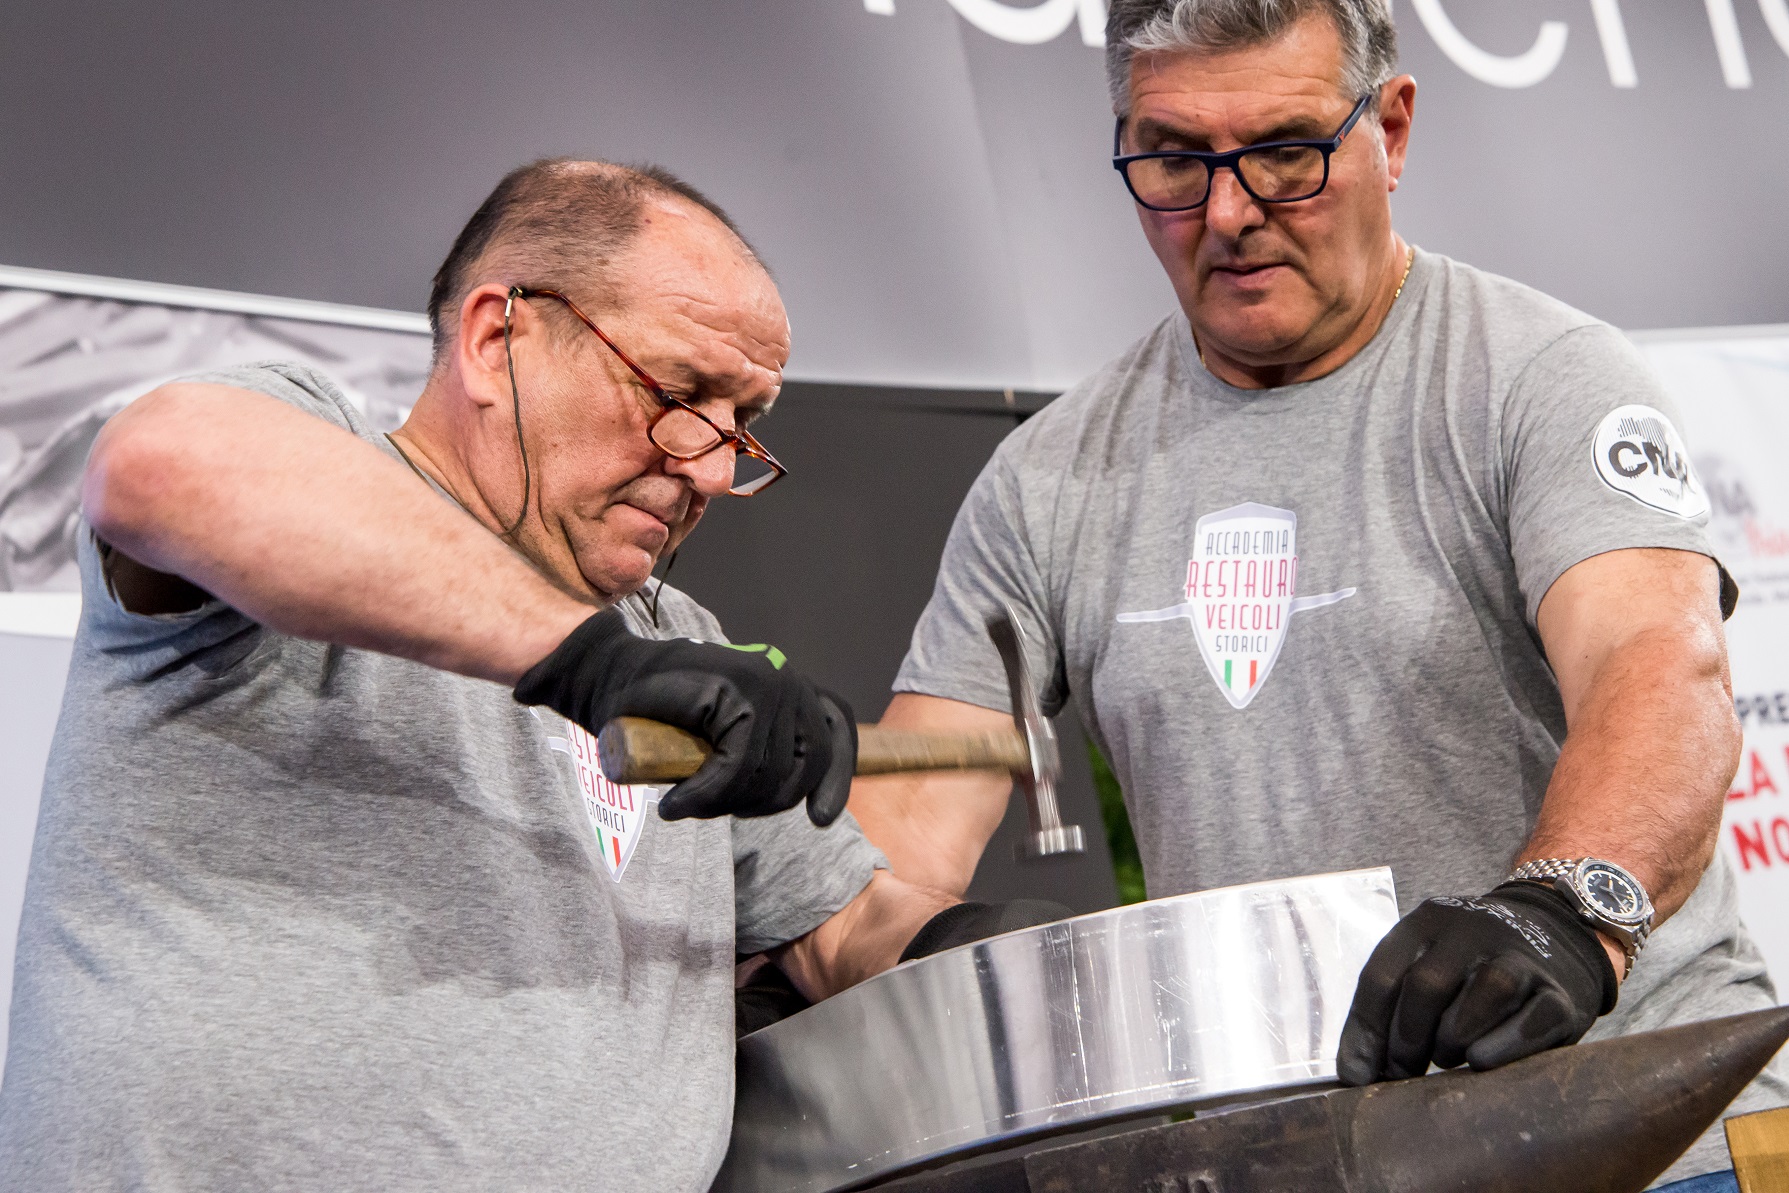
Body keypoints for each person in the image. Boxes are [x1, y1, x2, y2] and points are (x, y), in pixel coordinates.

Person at [846, 2, 1787, 1189]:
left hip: (1654, 1137)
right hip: (1323, 1159)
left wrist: (1563, 909)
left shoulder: (1538, 375)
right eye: (1174, 161)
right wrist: (891, 925)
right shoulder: (1048, 479)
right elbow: (910, 826)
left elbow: (1656, 667)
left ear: (1388, 131)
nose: (1228, 214)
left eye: (1284, 153)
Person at [0, 159, 984, 1192]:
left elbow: (842, 925)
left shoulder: (680, 641)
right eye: (678, 392)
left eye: (740, 423)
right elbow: (164, 463)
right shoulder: (314, 461)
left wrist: (1005, 954)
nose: (706, 466)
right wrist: (596, 664)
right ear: (494, 337)